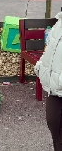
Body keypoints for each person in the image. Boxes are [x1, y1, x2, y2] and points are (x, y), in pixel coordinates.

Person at [34, 12, 62, 151]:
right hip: (55, 88)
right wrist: (40, 66)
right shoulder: (60, 21)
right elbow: (50, 47)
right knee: (54, 124)